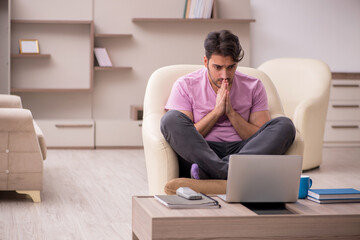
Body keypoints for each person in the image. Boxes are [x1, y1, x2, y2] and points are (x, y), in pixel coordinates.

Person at [160, 30, 295, 180]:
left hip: (243, 150)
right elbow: (187, 135)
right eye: (218, 67)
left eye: (231, 67)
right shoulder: (185, 85)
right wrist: (217, 112)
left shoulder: (254, 86)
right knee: (170, 119)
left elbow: (258, 136)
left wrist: (231, 113)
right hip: (202, 150)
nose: (224, 75)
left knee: (285, 125)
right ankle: (229, 172)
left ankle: (212, 172)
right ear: (206, 62)